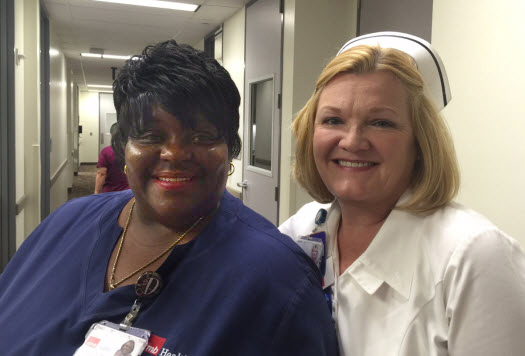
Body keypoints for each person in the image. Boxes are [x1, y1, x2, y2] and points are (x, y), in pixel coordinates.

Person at [0, 40, 338, 355]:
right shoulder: (66, 222)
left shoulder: (278, 281)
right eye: (150, 135)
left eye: (202, 136)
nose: (175, 154)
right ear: (123, 147)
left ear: (230, 149)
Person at [279, 32, 525, 356]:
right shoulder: (303, 229)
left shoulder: (474, 257)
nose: (352, 141)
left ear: (421, 144)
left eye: (381, 122)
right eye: (333, 120)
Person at [95, 123, 129, 194]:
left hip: (110, 193)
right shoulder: (131, 151)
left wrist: (96, 192)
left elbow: (101, 174)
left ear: (112, 135)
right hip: (128, 193)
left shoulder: (106, 152)